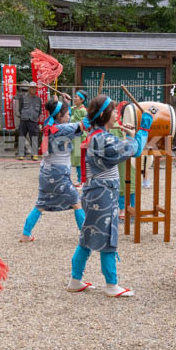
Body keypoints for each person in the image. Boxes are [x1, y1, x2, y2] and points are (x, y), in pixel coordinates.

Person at [67, 94, 150, 297]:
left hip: (93, 190)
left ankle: (75, 280)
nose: (117, 114)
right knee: (108, 237)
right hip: (103, 193)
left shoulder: (97, 136)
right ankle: (111, 285)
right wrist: (143, 130)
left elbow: (124, 148)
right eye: (114, 110)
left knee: (87, 236)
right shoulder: (105, 139)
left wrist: (129, 136)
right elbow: (135, 150)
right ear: (105, 114)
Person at [20, 100, 86, 242]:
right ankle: (86, 235)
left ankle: (26, 233)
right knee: (76, 201)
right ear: (60, 116)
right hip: (58, 173)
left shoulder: (49, 124)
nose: (69, 116)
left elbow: (74, 126)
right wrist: (95, 110)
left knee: (41, 203)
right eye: (67, 114)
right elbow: (84, 125)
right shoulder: (61, 129)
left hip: (46, 171)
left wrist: (66, 104)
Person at [14, 82, 42, 160]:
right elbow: (20, 108)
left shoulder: (38, 99)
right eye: (32, 87)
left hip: (34, 120)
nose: (34, 89)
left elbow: (39, 111)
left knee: (34, 137)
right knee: (22, 136)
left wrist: (35, 116)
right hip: (24, 119)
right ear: (29, 88)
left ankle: (34, 154)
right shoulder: (23, 98)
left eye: (35, 88)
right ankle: (21, 154)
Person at [69, 91, 87, 183]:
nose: (75, 98)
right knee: (77, 159)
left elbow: (72, 119)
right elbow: (68, 111)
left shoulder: (82, 110)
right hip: (76, 137)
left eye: (77, 97)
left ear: (82, 99)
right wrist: (66, 101)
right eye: (74, 96)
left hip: (80, 137)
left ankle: (81, 179)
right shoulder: (76, 108)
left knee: (79, 159)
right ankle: (80, 178)